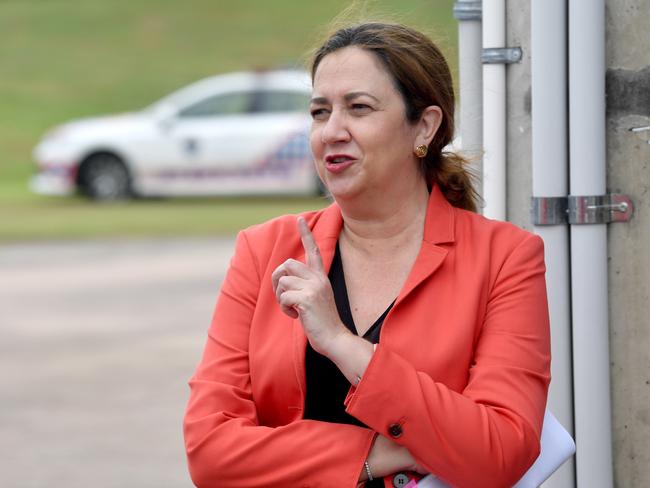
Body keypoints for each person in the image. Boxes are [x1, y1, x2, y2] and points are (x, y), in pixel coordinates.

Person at [183, 22, 551, 488]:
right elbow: (210, 454)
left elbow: (501, 452)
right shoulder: (264, 251)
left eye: (359, 108)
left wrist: (342, 344)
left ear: (425, 126)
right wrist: (375, 454)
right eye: (319, 112)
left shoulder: (506, 258)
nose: (332, 131)